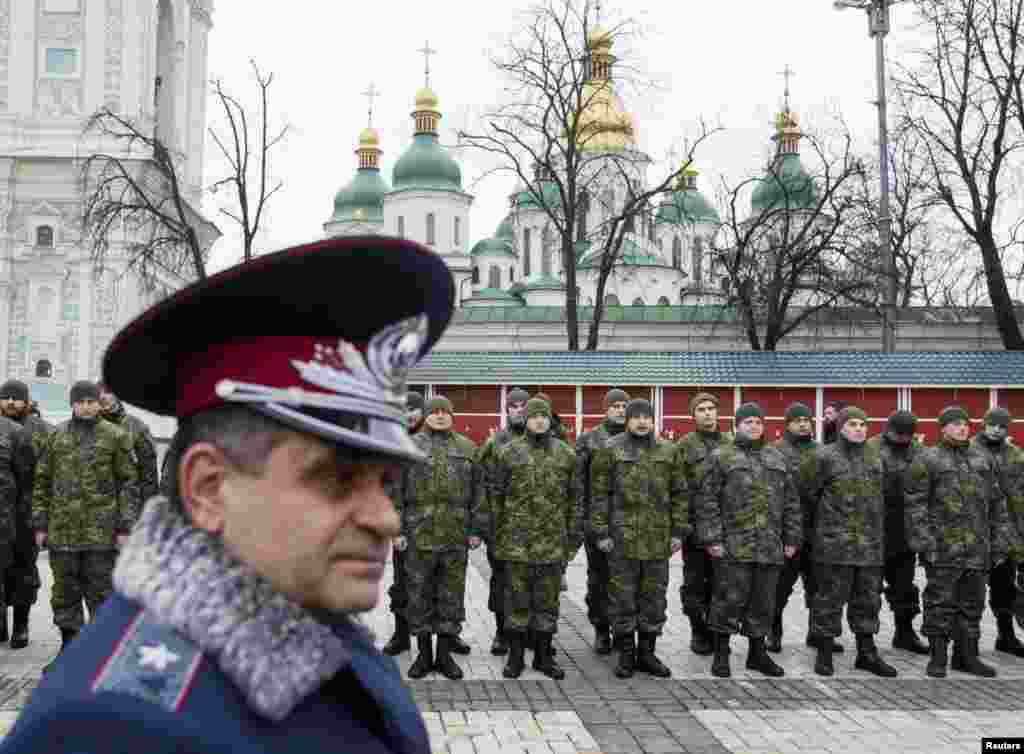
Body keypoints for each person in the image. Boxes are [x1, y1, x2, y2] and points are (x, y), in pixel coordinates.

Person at [2, 236, 453, 754]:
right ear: (208, 488)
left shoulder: (312, 621)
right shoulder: (116, 726)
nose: (386, 520)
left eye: (386, 483)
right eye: (336, 480)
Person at [32, 381, 140, 674]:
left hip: (101, 535)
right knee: (64, 594)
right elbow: (41, 481)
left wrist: (124, 527)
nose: (87, 406)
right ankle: (69, 651)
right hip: (63, 533)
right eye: (81, 401)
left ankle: (101, 657)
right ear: (73, 404)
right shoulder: (56, 437)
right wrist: (40, 525)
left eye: (91, 401)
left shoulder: (116, 437)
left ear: (99, 403)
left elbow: (128, 484)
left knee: (100, 595)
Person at [905, 406, 1013, 678]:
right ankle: (938, 657)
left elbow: (998, 504)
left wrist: (1000, 542)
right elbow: (915, 505)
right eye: (954, 424)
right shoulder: (928, 459)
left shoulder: (983, 459)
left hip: (978, 548)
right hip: (942, 549)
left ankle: (967, 656)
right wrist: (924, 542)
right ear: (942, 428)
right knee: (940, 603)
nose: (962, 428)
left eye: (965, 424)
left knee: (972, 604)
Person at [697, 402, 801, 678]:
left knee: (763, 602)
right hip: (734, 545)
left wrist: (791, 538)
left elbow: (791, 502)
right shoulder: (722, 456)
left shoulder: (776, 458)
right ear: (736, 425)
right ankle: (721, 654)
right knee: (727, 600)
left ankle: (757, 654)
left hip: (769, 545)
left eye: (758, 422)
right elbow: (707, 501)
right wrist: (712, 538)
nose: (754, 427)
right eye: (748, 423)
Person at [486, 398, 580, 680]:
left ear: (551, 420)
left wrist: (572, 540)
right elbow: (495, 497)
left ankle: (543, 657)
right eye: (533, 416)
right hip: (516, 545)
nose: (539, 420)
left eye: (544, 416)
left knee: (547, 604)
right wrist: (497, 535)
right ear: (525, 420)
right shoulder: (507, 453)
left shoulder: (566, 455)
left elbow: (576, 500)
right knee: (517, 602)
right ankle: (515, 658)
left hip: (552, 544)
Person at [591, 399, 685, 678]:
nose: (642, 422)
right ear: (627, 420)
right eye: (636, 417)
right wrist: (601, 532)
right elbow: (598, 494)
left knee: (654, 598)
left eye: (647, 417)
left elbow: (680, 493)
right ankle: (626, 654)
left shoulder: (669, 451)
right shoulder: (610, 450)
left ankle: (647, 653)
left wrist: (678, 532)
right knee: (622, 598)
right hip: (622, 539)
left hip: (657, 540)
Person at [804, 407, 896, 678]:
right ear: (841, 427)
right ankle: (823, 653)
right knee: (828, 601)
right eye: (853, 424)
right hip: (833, 547)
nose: (859, 429)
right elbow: (808, 496)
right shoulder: (823, 457)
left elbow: (886, 497)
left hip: (869, 547)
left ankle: (867, 654)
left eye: (863, 424)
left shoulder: (876, 458)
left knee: (868, 602)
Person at [394, 395, 482, 680]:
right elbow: (394, 492)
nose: (441, 416)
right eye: (435, 412)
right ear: (427, 416)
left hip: (455, 535)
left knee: (451, 596)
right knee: (418, 595)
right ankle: (423, 655)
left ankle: (444, 655)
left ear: (452, 416)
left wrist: (476, 530)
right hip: (418, 534)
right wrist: (396, 530)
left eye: (446, 412)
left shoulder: (468, 448)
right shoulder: (407, 446)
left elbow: (480, 494)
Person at [867, 410, 929, 655]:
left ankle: (904, 633)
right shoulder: (870, 448)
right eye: (899, 433)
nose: (903, 439)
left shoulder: (919, 452)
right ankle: (866, 639)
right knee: (868, 591)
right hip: (874, 531)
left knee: (904, 587)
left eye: (908, 434)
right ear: (888, 428)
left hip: (905, 532)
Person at [769, 402, 827, 654]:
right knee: (779, 588)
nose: (803, 424)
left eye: (807, 420)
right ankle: (773, 632)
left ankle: (817, 632)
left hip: (818, 530)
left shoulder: (822, 452)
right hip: (786, 531)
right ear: (787, 424)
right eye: (798, 420)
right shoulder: (776, 451)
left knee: (818, 587)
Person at [575, 388, 629, 655]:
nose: (620, 410)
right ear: (605, 409)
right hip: (597, 524)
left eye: (624, 406)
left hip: (630, 525)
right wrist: (586, 521)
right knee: (599, 579)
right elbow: (577, 482)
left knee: (625, 581)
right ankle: (601, 629)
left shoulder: (637, 439)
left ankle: (623, 631)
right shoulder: (589, 440)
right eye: (615, 405)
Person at [676, 392, 731, 656]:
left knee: (723, 585)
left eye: (711, 408)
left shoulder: (732, 444)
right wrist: (681, 527)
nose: (707, 413)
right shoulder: (684, 447)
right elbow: (678, 489)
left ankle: (717, 632)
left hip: (726, 531)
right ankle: (698, 631)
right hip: (696, 530)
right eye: (701, 409)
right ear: (693, 415)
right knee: (695, 585)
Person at [475, 387, 529, 656]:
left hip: (536, 531)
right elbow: (480, 486)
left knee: (532, 583)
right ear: (507, 410)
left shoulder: (547, 440)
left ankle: (529, 634)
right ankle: (501, 633)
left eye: (523, 406)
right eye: (514, 406)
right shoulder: (495, 444)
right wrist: (484, 527)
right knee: (501, 582)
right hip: (502, 529)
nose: (519, 410)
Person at [0, 380, 51, 648]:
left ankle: (21, 624)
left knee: (23, 571)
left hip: (25, 514)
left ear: (27, 401)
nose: (10, 402)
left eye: (16, 398)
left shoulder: (41, 429)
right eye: (5, 397)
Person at [971, 407, 1024, 657]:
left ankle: (1006, 635)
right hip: (974, 530)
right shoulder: (968, 450)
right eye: (993, 424)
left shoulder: (1016, 454)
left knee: (1004, 586)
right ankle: (966, 642)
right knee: (970, 589)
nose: (997, 429)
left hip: (1006, 532)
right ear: (984, 424)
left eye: (1002, 426)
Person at [381, 390, 424, 657]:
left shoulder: (432, 441)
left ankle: (446, 636)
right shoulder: (391, 440)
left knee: (438, 584)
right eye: (405, 409)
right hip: (403, 526)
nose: (409, 414)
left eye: (414, 409)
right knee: (402, 585)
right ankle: (401, 634)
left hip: (435, 526)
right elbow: (387, 487)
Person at [98, 383, 159, 515]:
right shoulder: (89, 427)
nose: (103, 396)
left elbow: (149, 477)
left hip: (129, 511)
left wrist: (146, 514)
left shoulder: (136, 428)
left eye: (108, 392)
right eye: (99, 393)